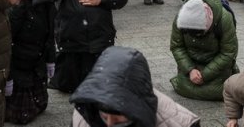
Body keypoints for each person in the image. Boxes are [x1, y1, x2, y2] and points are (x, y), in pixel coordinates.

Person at [70, 46, 201, 127]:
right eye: (104, 117)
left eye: (118, 121)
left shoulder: (180, 122)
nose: (109, 124)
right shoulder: (86, 111)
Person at [5, 0, 68, 124]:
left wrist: (50, 60)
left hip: (36, 58)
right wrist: (8, 77)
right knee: (21, 115)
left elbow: (49, 35)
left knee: (40, 105)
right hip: (19, 62)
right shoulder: (19, 7)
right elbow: (6, 43)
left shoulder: (48, 5)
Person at [170, 0, 239, 101]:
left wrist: (205, 75)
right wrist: (190, 70)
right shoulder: (181, 18)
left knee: (218, 91)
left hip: (215, 63)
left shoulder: (224, 19)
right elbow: (177, 46)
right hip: (191, 63)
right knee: (187, 86)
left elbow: (228, 52)